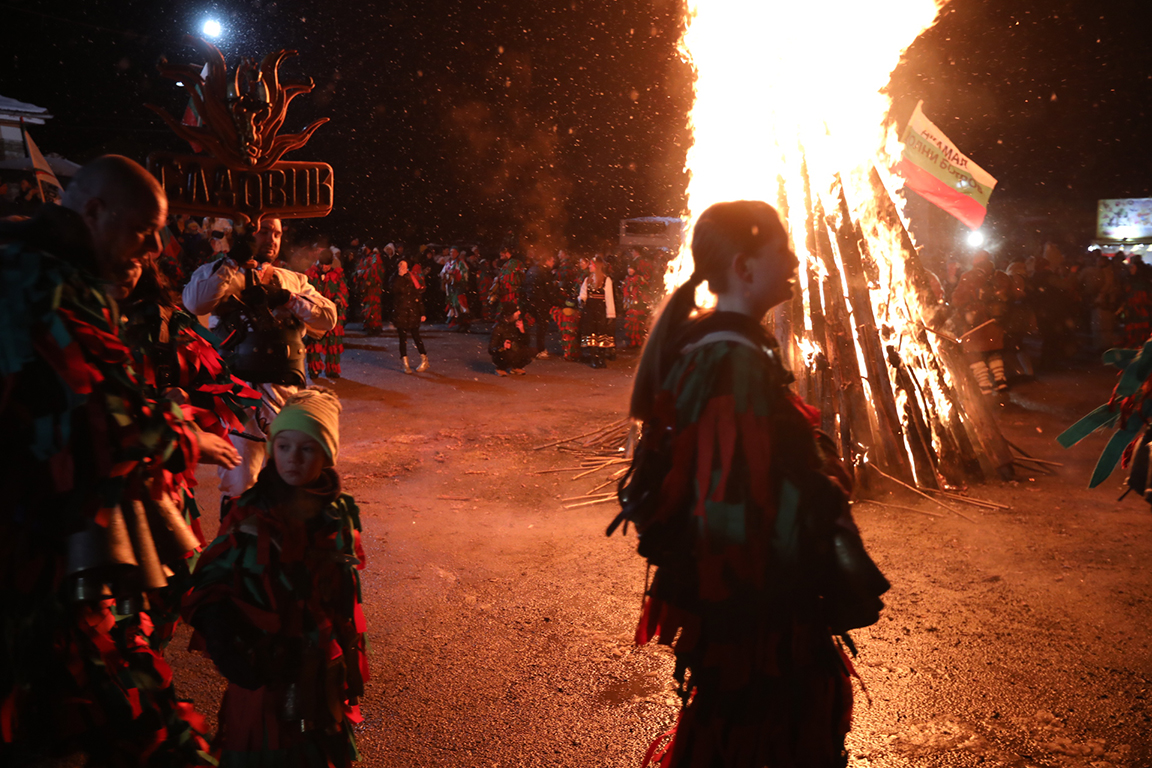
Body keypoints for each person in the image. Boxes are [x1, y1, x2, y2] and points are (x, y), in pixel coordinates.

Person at [618, 200, 887, 768]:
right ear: (743, 267)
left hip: (754, 621)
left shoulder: (725, 352)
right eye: (780, 249)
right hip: (758, 625)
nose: (794, 258)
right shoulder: (729, 364)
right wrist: (828, 488)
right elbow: (731, 510)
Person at [0, 155, 231, 766]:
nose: (154, 248)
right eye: (142, 230)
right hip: (34, 570)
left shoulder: (50, 271)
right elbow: (102, 420)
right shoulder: (42, 282)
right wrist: (185, 436)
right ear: (95, 211)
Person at [183, 388, 369, 768]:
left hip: (317, 663)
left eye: (307, 449)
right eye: (283, 446)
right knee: (264, 745)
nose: (292, 460)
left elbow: (344, 594)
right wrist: (223, 640)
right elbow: (213, 577)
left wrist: (347, 649)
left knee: (313, 744)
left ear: (327, 456)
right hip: (262, 663)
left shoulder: (338, 512)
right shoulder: (251, 511)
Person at [183, 217, 338, 506]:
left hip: (287, 395)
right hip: (238, 400)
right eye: (264, 231)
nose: (272, 239)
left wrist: (287, 298)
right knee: (240, 486)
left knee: (289, 484)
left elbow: (328, 318)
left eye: (277, 233)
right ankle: (241, 547)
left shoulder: (293, 280)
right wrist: (232, 262)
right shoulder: (216, 273)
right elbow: (195, 303)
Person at [305, 248, 349, 379]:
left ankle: (332, 369)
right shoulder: (310, 274)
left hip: (333, 314)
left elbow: (343, 291)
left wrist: (338, 298)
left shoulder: (338, 275)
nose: (325, 267)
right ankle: (314, 369)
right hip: (316, 314)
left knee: (333, 342)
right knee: (314, 343)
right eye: (323, 264)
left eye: (327, 264)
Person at [392, 258, 430, 374]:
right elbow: (394, 290)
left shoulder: (413, 278)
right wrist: (399, 277)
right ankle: (405, 363)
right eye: (400, 266)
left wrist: (422, 312)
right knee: (402, 338)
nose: (402, 268)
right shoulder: (394, 278)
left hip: (412, 311)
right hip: (401, 311)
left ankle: (424, 359)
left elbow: (418, 297)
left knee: (416, 336)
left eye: (404, 266)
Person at [578, 255, 616, 368]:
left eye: (591, 264)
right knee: (591, 333)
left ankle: (601, 358)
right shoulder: (588, 279)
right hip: (590, 309)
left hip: (600, 309)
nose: (589, 266)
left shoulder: (606, 280)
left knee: (601, 333)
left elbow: (609, 297)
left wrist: (610, 314)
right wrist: (581, 299)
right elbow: (583, 293)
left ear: (597, 266)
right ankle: (594, 358)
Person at [522, 251, 558, 357]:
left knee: (527, 325)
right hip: (541, 302)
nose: (553, 263)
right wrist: (555, 301)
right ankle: (540, 349)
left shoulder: (532, 270)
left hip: (531, 301)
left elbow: (526, 285)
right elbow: (548, 290)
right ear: (547, 261)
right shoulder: (544, 272)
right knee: (541, 327)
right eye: (552, 261)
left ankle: (524, 346)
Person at [489, 306, 534, 375]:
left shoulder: (516, 324)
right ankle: (500, 367)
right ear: (510, 315)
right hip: (502, 354)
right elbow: (491, 349)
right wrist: (502, 347)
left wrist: (522, 331)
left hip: (515, 349)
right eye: (516, 311)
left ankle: (516, 367)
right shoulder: (498, 327)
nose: (519, 313)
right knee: (508, 354)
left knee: (531, 351)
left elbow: (527, 342)